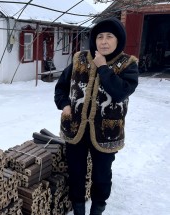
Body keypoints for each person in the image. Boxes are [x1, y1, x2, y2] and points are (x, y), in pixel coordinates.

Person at [54, 17, 139, 215]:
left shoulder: (128, 65)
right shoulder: (79, 59)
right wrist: (64, 104)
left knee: (101, 176)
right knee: (76, 173)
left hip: (107, 132)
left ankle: (98, 208)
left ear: (118, 40)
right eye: (100, 36)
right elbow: (61, 86)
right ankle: (78, 209)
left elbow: (120, 92)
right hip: (75, 128)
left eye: (110, 36)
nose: (104, 41)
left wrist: (102, 67)